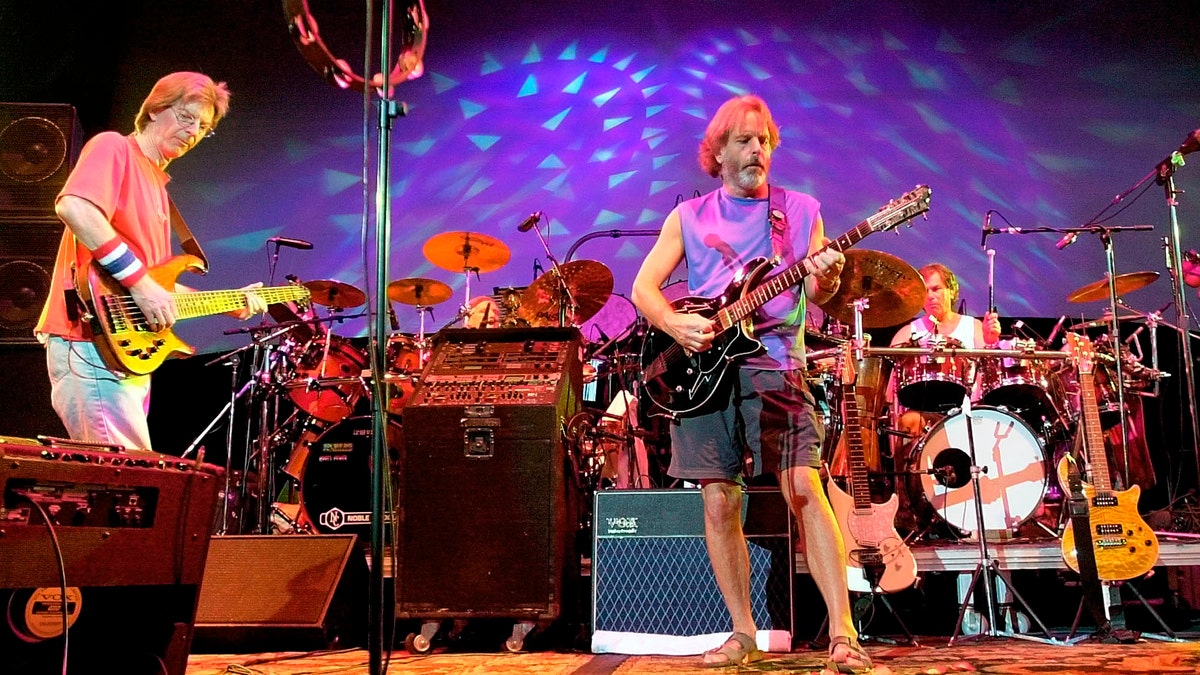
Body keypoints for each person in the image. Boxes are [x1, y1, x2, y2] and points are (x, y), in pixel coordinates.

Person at [631, 95, 868, 671]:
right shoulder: (688, 216)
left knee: (805, 489)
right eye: (744, 140)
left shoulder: (801, 209)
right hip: (707, 374)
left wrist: (827, 276)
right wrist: (673, 324)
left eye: (764, 140)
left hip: (778, 368)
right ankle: (742, 632)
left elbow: (817, 293)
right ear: (718, 152)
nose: (757, 149)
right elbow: (644, 288)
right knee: (718, 501)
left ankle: (843, 634)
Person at [34, 71, 266, 452]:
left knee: (125, 486)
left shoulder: (157, 185)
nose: (192, 131)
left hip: (125, 351)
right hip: (90, 341)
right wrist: (142, 286)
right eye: (185, 117)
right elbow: (74, 206)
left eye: (203, 127)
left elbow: (153, 286)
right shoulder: (115, 148)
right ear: (155, 110)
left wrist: (231, 303)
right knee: (127, 480)